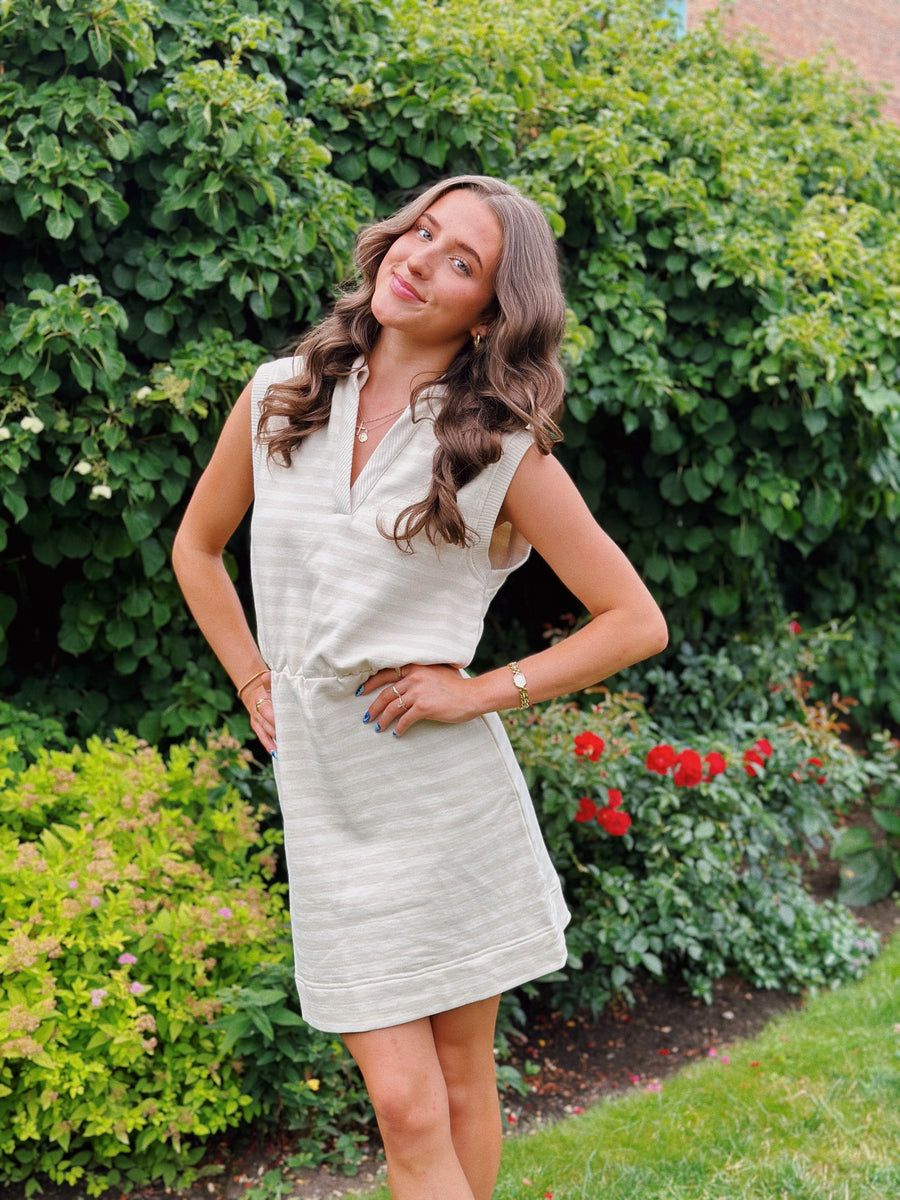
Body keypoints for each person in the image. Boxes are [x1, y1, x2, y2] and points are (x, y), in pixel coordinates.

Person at [172, 174, 667, 1200]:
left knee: (454, 1080)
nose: (421, 261)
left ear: (490, 312)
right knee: (404, 1101)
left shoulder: (496, 448)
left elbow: (634, 620)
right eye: (424, 232)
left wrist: (479, 692)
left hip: (442, 795)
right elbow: (197, 547)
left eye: (461, 261)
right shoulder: (279, 394)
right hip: (326, 788)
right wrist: (253, 675)